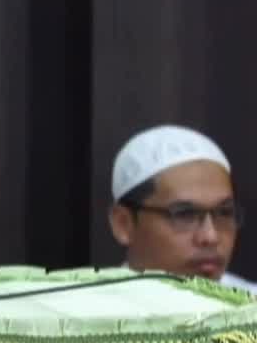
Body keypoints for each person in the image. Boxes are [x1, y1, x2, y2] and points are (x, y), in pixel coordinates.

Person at [109, 124, 255, 292]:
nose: (210, 237)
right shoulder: (84, 314)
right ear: (123, 224)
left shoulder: (251, 304)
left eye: (224, 213)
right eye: (185, 215)